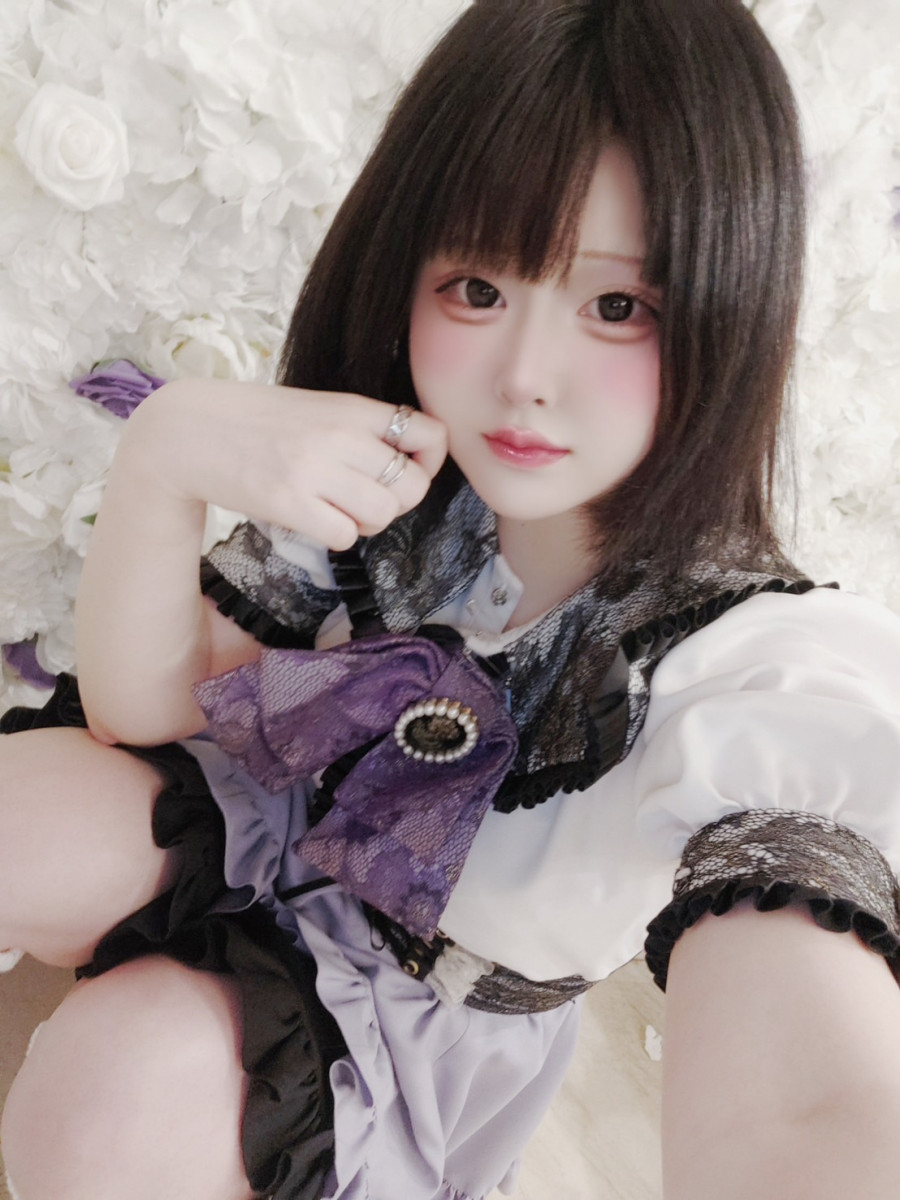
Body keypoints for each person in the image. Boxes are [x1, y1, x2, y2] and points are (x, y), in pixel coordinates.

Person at [2, 1, 900, 1198]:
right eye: (477, 287)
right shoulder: (406, 483)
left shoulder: (744, 667)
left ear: (733, 302)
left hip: (407, 1033)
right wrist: (162, 454)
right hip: (265, 836)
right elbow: (144, 709)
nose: (524, 377)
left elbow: (802, 1107)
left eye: (617, 307)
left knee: (109, 1096)